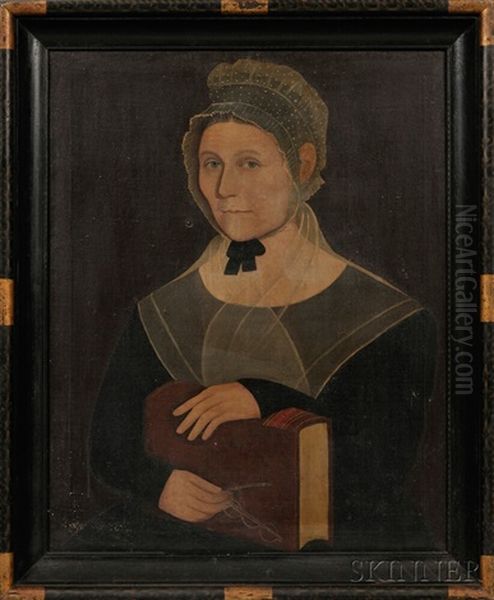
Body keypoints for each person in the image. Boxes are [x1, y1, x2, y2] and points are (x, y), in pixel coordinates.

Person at [85, 59, 437, 552]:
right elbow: (108, 445)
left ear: (303, 165)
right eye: (212, 164)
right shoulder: (160, 311)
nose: (224, 189)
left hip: (324, 553)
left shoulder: (390, 318)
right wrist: (158, 484)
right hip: (183, 541)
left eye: (249, 163)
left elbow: (377, 474)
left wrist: (264, 397)